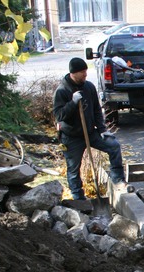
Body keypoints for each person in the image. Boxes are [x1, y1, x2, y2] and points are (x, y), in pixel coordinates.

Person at [53, 57, 125, 200]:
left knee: (114, 146)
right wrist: (73, 102)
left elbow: (97, 110)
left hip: (91, 132)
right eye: (83, 73)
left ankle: (118, 181)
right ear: (73, 73)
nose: (86, 75)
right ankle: (78, 197)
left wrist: (102, 129)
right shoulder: (62, 91)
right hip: (72, 136)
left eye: (86, 72)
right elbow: (60, 115)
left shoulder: (89, 87)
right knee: (73, 169)